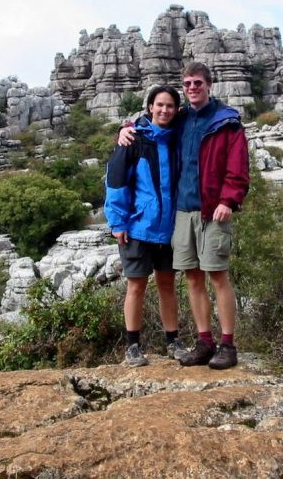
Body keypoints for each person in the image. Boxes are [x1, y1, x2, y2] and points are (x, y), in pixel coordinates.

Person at [119, 62, 249, 370]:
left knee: (217, 276)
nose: (193, 88)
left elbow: (239, 167)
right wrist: (126, 128)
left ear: (209, 84)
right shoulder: (181, 118)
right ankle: (205, 341)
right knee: (192, 278)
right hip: (182, 211)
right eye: (188, 83)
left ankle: (227, 344)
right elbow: (152, 121)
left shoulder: (226, 122)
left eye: (198, 83)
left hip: (213, 210)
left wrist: (229, 200)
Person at [104, 85, 185, 367]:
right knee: (136, 286)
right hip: (138, 227)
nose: (164, 110)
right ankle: (133, 346)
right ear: (150, 107)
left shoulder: (178, 138)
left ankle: (173, 341)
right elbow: (115, 181)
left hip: (169, 228)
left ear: (177, 110)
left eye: (170, 106)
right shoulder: (133, 140)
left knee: (167, 285)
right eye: (159, 105)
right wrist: (117, 222)